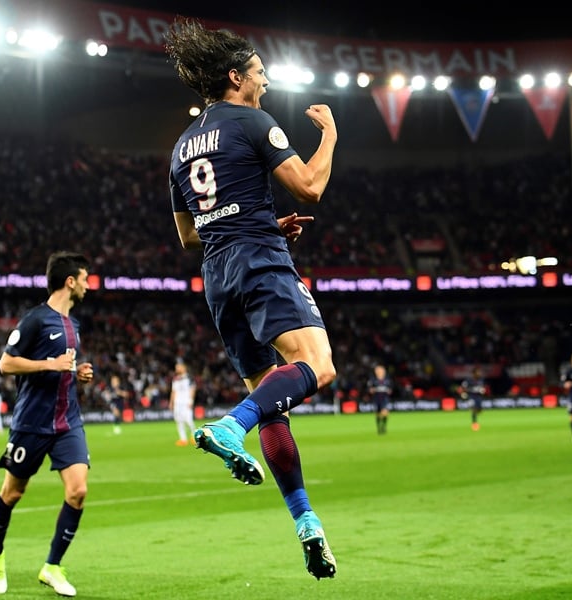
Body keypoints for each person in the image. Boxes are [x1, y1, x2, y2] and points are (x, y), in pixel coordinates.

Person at [164, 17, 338, 580]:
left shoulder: (181, 147)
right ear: (235, 76)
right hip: (259, 263)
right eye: (260, 72)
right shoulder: (253, 120)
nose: (265, 81)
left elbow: (190, 236)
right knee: (317, 366)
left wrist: (263, 221)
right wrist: (331, 133)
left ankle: (307, 524)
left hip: (218, 276)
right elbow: (310, 185)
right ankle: (227, 427)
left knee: (272, 399)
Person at [0, 251, 95, 597]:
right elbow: (6, 364)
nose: (89, 286)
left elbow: (64, 367)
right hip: (31, 425)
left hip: (68, 423)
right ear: (70, 281)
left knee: (78, 491)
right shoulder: (34, 320)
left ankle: (52, 566)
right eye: (86, 279)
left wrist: (79, 373)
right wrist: (50, 364)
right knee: (12, 493)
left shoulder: (74, 325)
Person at [169, 361, 197, 445]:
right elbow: (173, 391)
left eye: (178, 367)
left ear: (184, 367)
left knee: (188, 420)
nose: (176, 369)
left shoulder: (189, 378)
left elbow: (192, 389)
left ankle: (194, 436)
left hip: (186, 402)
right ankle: (183, 439)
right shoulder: (175, 379)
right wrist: (171, 402)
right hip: (177, 403)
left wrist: (191, 400)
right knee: (179, 421)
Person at [458, 366, 487, 431]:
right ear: (474, 373)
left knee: (479, 410)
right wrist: (463, 393)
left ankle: (475, 413)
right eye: (478, 372)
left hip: (478, 396)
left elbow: (482, 388)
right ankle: (474, 423)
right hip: (471, 396)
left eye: (480, 372)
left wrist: (482, 390)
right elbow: (462, 387)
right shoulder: (468, 380)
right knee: (473, 408)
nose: (479, 373)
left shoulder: (481, 379)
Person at [367, 364, 392, 434]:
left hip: (384, 398)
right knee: (378, 414)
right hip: (376, 398)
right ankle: (379, 428)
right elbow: (370, 390)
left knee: (385, 413)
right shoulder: (373, 380)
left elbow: (390, 389)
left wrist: (388, 390)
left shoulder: (387, 380)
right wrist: (374, 390)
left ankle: (383, 426)